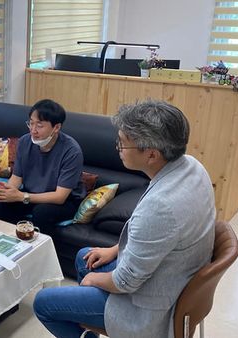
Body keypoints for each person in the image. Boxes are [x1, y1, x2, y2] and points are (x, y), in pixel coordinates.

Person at [33, 101, 216, 338]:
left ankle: (94, 322)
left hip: (150, 308)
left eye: (123, 144)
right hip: (172, 275)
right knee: (85, 257)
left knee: (43, 303)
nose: (118, 148)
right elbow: (159, 238)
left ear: (151, 154)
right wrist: (114, 250)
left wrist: (95, 280)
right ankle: (87, 329)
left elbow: (126, 282)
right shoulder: (192, 166)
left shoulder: (160, 206)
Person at [0, 99, 85, 234]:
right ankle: (6, 245)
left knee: (42, 212)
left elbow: (59, 196)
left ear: (56, 127)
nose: (33, 130)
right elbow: (16, 177)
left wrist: (22, 196)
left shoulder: (71, 151)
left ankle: (41, 253)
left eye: (39, 125)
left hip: (64, 201)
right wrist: (6, 192)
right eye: (31, 123)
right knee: (5, 204)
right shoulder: (25, 142)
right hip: (31, 194)